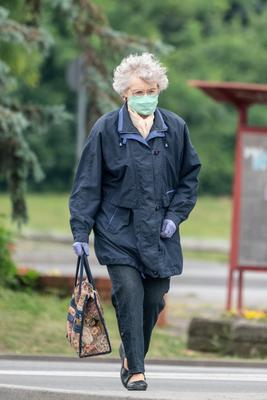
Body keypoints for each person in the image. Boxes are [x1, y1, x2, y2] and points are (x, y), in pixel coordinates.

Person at [69, 53, 201, 391]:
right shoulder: (106, 129)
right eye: (140, 91)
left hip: (160, 231)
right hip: (117, 231)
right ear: (125, 94)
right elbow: (88, 183)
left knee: (155, 298)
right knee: (128, 293)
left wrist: (175, 217)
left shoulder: (175, 128)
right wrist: (81, 230)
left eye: (152, 90)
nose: (147, 97)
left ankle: (132, 352)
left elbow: (190, 177)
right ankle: (136, 369)